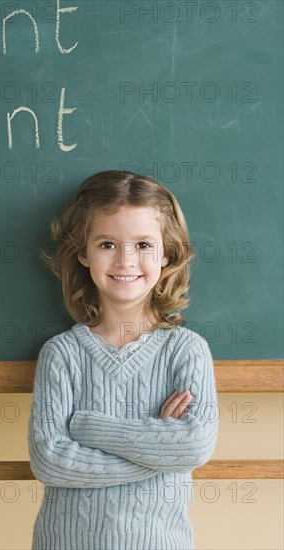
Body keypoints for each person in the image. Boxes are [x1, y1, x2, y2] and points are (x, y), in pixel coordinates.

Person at [28, 170, 219, 550]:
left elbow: (193, 447)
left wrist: (87, 428)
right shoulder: (61, 354)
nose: (126, 259)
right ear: (83, 252)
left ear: (167, 253)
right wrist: (157, 450)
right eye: (107, 244)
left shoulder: (186, 350)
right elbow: (49, 461)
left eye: (144, 245)